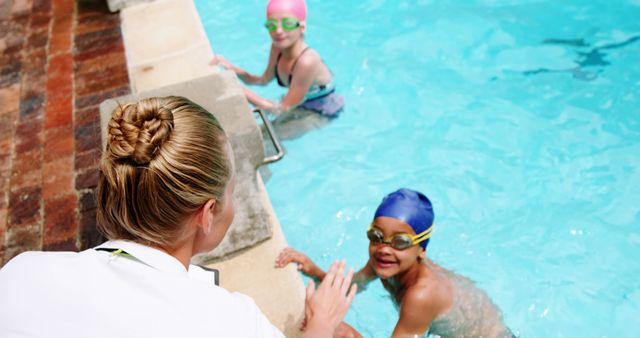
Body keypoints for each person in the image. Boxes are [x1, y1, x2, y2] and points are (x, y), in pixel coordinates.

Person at [0, 96, 356, 338]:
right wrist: (321, 325)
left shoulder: (24, 271)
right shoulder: (230, 321)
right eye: (230, 191)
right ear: (207, 213)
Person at [276, 188, 515, 338]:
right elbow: (353, 286)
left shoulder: (421, 296)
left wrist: (348, 334)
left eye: (400, 242)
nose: (384, 249)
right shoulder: (385, 263)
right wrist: (313, 270)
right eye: (376, 237)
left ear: (421, 249)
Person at [210, 0, 344, 120]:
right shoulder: (278, 47)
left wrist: (240, 90)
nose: (279, 31)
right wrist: (232, 69)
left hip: (320, 109)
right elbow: (263, 81)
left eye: (287, 24)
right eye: (272, 24)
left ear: (302, 28)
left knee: (266, 138)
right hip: (296, 101)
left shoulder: (307, 62)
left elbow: (282, 109)